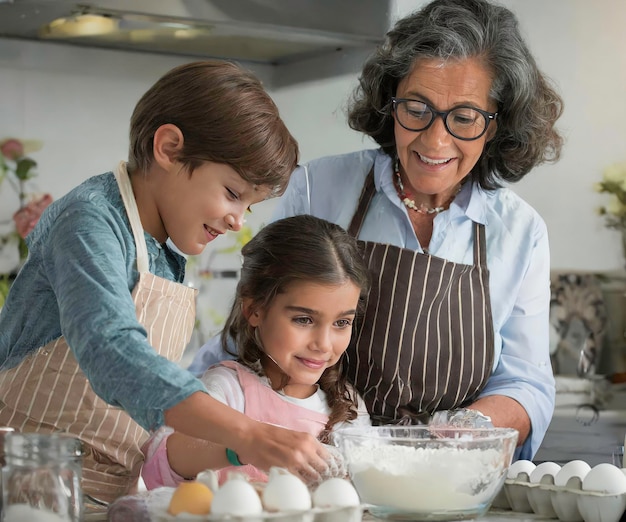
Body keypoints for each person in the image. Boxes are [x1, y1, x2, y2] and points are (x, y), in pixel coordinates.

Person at [190, 0, 563, 460]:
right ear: (390, 103)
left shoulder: (520, 232)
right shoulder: (317, 188)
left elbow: (525, 382)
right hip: (316, 463)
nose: (435, 139)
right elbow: (248, 333)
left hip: (447, 472)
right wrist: (177, 411)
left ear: (496, 124)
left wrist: (470, 428)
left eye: (464, 117)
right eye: (417, 108)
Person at [0, 60, 334, 504]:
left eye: (249, 205)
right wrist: (249, 433)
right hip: (23, 487)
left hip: (99, 497)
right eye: (233, 193)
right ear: (170, 148)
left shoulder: (164, 249)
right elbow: (112, 349)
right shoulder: (89, 222)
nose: (237, 220)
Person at [142, 214, 371, 488]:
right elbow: (163, 461)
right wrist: (242, 447)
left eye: (341, 323)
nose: (323, 343)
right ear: (254, 310)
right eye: (303, 319)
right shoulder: (229, 390)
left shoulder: (348, 408)